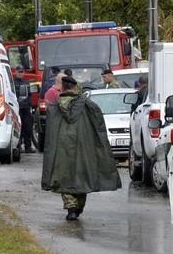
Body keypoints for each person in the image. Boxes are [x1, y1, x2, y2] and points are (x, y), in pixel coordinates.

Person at [41, 76, 121, 220]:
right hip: (84, 147)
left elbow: (49, 131)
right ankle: (78, 207)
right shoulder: (88, 105)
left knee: (64, 177)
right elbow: (98, 125)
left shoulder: (55, 107)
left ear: (63, 88)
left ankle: (71, 207)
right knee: (81, 177)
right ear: (75, 88)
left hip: (62, 148)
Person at [14, 69, 34, 153]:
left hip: (26, 108)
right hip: (17, 108)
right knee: (18, 128)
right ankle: (18, 146)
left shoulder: (27, 82)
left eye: (22, 71)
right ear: (16, 72)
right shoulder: (12, 82)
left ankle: (28, 147)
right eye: (19, 71)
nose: (20, 73)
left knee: (28, 128)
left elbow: (31, 93)